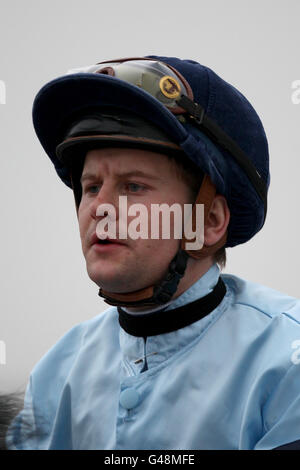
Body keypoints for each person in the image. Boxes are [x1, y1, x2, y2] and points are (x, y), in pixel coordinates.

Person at [7, 56, 300, 450]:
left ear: (209, 220)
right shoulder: (54, 374)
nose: (100, 208)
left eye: (133, 187)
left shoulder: (287, 360)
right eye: (92, 187)